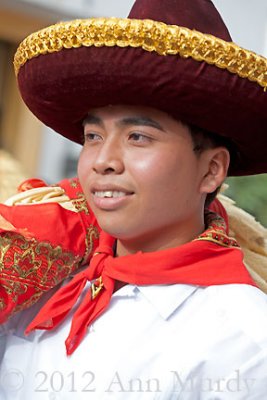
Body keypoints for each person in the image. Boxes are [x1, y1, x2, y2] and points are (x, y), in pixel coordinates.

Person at [1, 0, 267, 398]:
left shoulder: (244, 341)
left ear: (212, 170)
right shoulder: (34, 287)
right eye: (93, 136)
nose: (103, 161)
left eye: (138, 137)